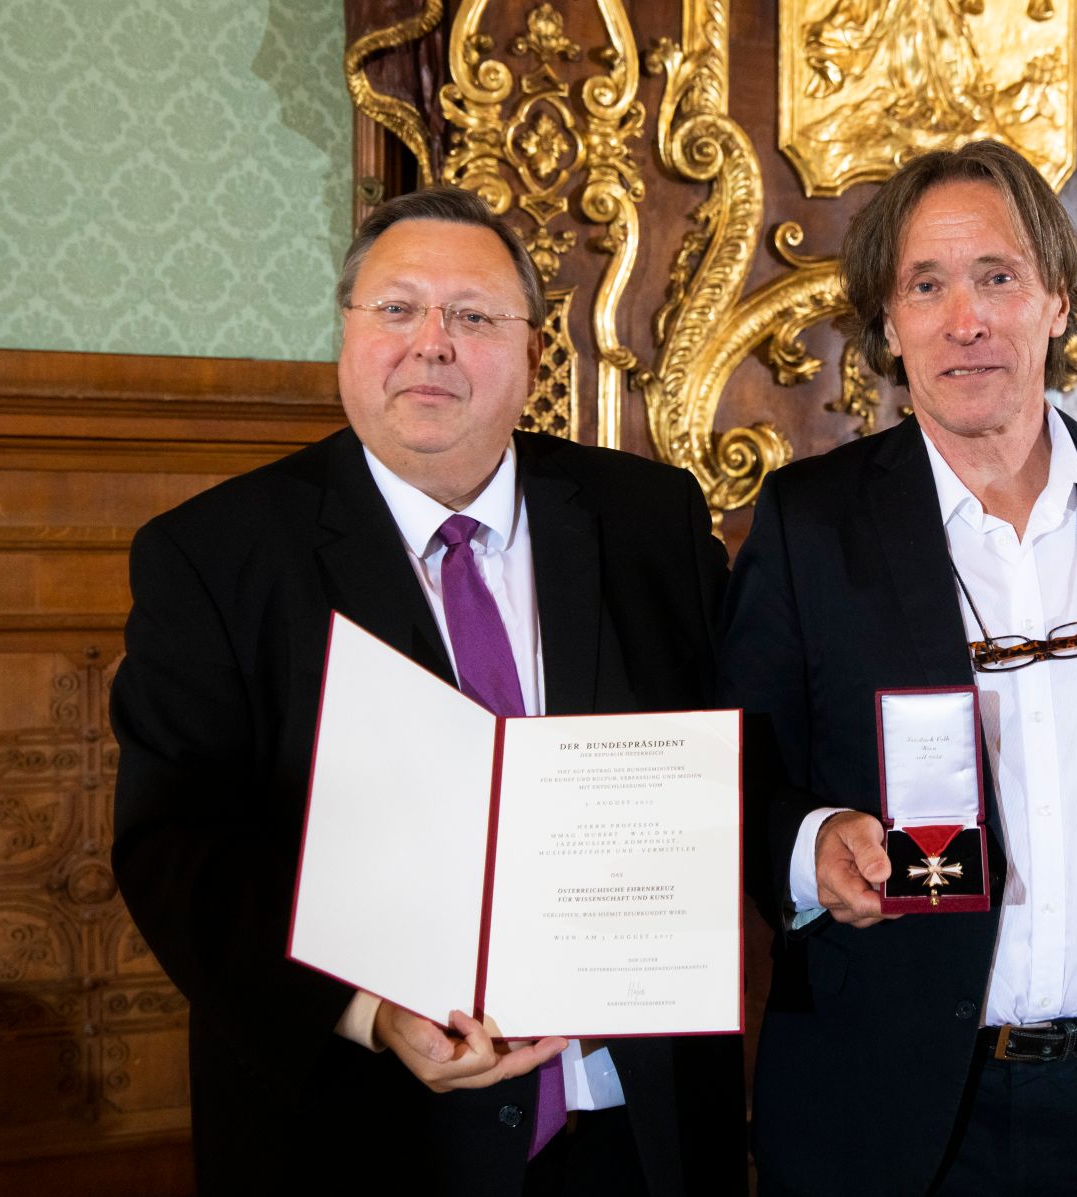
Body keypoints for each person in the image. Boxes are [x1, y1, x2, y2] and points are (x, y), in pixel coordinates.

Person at [111, 187, 742, 1196]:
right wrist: (362, 1008)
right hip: (361, 1136)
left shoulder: (646, 522)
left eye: (475, 315)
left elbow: (736, 754)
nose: (432, 343)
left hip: (635, 1126)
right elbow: (177, 846)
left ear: (533, 351)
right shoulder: (214, 557)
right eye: (397, 309)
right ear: (346, 334)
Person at [721, 139, 1077, 1197]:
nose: (965, 319)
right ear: (886, 323)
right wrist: (808, 845)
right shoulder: (809, 526)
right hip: (889, 1107)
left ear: (1054, 299)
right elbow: (732, 779)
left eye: (996, 277)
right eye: (925, 285)